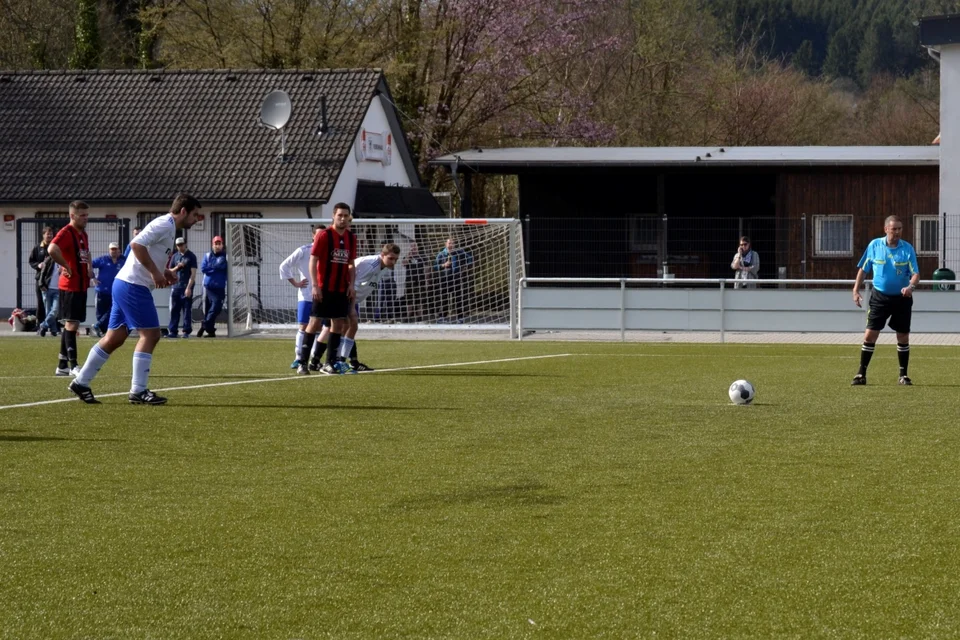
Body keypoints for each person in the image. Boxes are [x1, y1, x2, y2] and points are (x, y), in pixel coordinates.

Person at [68, 194, 201, 405]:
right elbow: (136, 245)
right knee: (151, 335)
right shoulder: (165, 224)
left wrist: (163, 271)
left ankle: (81, 382)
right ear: (183, 211)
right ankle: (138, 391)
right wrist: (155, 274)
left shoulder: (167, 227)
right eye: (194, 215)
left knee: (115, 338)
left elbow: (146, 251)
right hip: (133, 286)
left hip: (125, 284)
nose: (196, 219)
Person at [851, 215, 920, 386]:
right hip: (880, 297)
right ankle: (861, 374)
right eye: (894, 228)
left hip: (902, 299)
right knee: (870, 335)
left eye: (900, 229)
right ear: (886, 229)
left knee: (903, 336)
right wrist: (855, 290)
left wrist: (910, 287)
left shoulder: (907, 249)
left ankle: (903, 376)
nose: (897, 232)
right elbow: (863, 269)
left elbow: (916, 274)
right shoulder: (875, 245)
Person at [297, 203, 356, 375]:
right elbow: (313, 260)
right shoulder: (324, 235)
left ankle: (329, 363)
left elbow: (351, 264)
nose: (343, 218)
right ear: (333, 216)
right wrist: (315, 285)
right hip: (323, 288)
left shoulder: (351, 238)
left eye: (346, 215)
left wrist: (351, 285)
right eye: (340, 215)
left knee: (338, 323)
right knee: (314, 322)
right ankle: (302, 362)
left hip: (341, 289)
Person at [336, 243, 401, 372]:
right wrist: (352, 306)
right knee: (345, 326)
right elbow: (352, 283)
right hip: (345, 295)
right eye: (391, 258)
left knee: (348, 327)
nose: (394, 262)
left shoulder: (384, 267)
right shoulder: (371, 265)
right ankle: (334, 360)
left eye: (396, 259)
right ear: (382, 255)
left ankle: (348, 361)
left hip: (353, 298)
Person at [47, 201, 93, 376]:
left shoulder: (83, 234)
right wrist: (65, 265)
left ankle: (62, 365)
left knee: (71, 324)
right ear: (72, 216)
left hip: (81, 285)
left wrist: (88, 266)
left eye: (87, 215)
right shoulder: (66, 233)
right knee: (72, 323)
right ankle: (74, 365)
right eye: (82, 215)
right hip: (70, 286)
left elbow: (86, 252)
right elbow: (52, 249)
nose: (85, 218)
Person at [279, 226, 328, 368]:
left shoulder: (329, 252)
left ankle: (313, 358)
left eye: (323, 235)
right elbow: (284, 266)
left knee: (319, 327)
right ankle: (298, 357)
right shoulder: (304, 250)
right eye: (318, 235)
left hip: (324, 295)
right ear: (313, 236)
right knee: (304, 325)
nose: (320, 238)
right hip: (306, 295)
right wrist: (295, 282)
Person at [434, 237, 474, 322]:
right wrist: (443, 265)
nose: (450, 245)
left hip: (456, 279)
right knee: (444, 299)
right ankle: (442, 317)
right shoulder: (441, 254)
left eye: (452, 243)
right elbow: (434, 267)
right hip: (445, 279)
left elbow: (470, 258)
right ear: (446, 244)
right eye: (449, 243)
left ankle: (460, 317)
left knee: (458, 298)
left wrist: (466, 267)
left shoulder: (459, 252)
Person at [90, 242, 125, 337]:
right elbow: (89, 264)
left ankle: (98, 327)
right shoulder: (103, 259)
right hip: (101, 291)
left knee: (112, 311)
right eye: (112, 249)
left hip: (115, 292)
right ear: (109, 250)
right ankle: (101, 330)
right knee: (101, 313)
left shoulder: (123, 261)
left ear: (119, 250)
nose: (113, 251)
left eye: (115, 249)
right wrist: (92, 277)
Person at [167, 236, 198, 338]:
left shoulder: (191, 256)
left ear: (185, 244)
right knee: (175, 309)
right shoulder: (175, 256)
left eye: (181, 244)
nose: (180, 247)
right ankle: (173, 331)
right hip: (176, 286)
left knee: (186, 309)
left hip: (186, 286)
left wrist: (189, 287)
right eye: (178, 245)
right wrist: (178, 267)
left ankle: (186, 331)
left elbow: (193, 274)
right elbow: (170, 271)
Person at [197, 235, 227, 338]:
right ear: (212, 245)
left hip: (219, 287)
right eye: (216, 244)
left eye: (219, 244)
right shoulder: (208, 255)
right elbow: (204, 268)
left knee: (216, 308)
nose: (217, 246)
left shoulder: (225, 257)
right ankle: (211, 331)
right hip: (208, 287)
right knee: (209, 309)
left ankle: (204, 325)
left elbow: (221, 266)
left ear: (222, 245)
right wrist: (215, 268)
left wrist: (212, 267)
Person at [28, 226, 54, 322]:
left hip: (53, 279)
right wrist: (38, 265)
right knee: (40, 302)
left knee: (53, 303)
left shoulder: (55, 246)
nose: (50, 236)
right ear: (43, 235)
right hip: (40, 279)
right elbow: (31, 261)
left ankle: (54, 325)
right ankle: (40, 323)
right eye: (48, 234)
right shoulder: (37, 247)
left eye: (51, 234)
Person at [402, 241, 429, 322]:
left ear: (417, 247)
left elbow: (427, 268)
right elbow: (403, 264)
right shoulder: (407, 256)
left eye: (415, 246)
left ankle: (419, 317)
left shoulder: (422, 256)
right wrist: (409, 256)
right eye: (412, 246)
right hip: (409, 281)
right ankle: (408, 316)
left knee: (420, 299)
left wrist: (427, 280)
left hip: (420, 280)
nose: (413, 248)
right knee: (409, 299)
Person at [37, 261, 61, 338]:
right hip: (48, 289)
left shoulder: (64, 261)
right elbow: (42, 272)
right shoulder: (49, 260)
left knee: (55, 310)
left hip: (58, 290)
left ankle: (43, 326)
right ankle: (53, 330)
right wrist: (41, 284)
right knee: (48, 311)